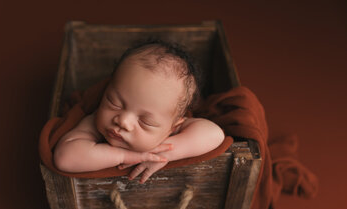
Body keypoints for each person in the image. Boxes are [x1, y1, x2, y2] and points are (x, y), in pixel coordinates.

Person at [53, 39, 225, 184]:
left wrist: (165, 155)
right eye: (114, 103)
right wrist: (124, 156)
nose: (122, 121)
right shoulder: (95, 121)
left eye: (145, 121)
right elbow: (64, 158)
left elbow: (214, 134)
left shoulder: (171, 128)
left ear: (172, 127)